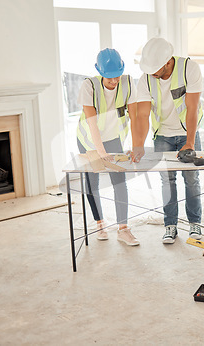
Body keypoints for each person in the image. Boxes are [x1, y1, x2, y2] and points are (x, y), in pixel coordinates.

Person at [131, 37, 204, 244]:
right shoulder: (145, 78)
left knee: (191, 179)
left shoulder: (189, 69)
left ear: (168, 61)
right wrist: (138, 144)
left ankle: (194, 223)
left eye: (156, 69)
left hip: (186, 131)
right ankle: (170, 225)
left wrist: (190, 141)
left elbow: (192, 108)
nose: (153, 74)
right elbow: (142, 115)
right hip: (162, 134)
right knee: (167, 180)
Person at [76, 48, 139, 246]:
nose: (114, 81)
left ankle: (123, 229)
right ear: (99, 71)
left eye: (117, 76)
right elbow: (92, 122)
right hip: (88, 140)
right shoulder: (89, 86)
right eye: (109, 77)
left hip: (113, 138)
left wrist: (136, 145)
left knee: (119, 182)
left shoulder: (128, 83)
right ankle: (100, 223)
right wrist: (101, 153)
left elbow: (135, 117)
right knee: (92, 182)